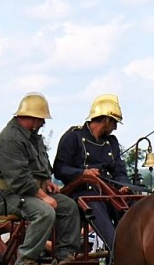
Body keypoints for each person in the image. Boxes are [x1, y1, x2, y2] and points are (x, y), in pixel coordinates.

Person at [0, 92, 81, 265]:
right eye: (41, 119)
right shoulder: (10, 139)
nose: (43, 123)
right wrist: (43, 196)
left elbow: (40, 166)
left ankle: (64, 258)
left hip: (29, 192)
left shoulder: (32, 137)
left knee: (69, 207)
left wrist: (46, 182)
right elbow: (19, 178)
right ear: (31, 118)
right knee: (44, 212)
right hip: (7, 196)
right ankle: (25, 261)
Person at [53, 93, 130, 251]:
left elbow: (119, 170)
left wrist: (123, 186)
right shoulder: (73, 136)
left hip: (109, 192)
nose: (115, 127)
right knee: (95, 204)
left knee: (134, 204)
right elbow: (60, 169)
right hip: (82, 194)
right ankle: (118, 249)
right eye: (114, 122)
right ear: (106, 120)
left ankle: (136, 246)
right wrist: (83, 173)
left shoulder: (112, 142)